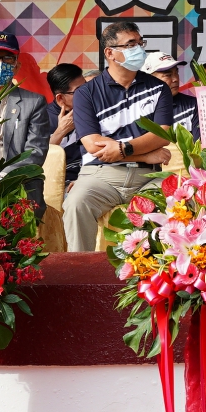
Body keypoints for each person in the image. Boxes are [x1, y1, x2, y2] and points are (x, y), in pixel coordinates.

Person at [64, 22, 181, 251]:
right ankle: (79, 271)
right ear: (110, 53)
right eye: (130, 44)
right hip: (100, 176)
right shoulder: (86, 93)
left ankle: (165, 270)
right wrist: (143, 155)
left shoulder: (159, 89)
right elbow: (93, 145)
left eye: (140, 43)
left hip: (147, 177)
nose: (139, 49)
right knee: (76, 204)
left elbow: (161, 135)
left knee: (178, 198)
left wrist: (123, 149)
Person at [0, 31, 55, 170]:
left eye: (8, 58)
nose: (0, 64)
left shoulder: (34, 102)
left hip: (12, 177)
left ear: (16, 67)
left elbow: (35, 151)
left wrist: (4, 177)